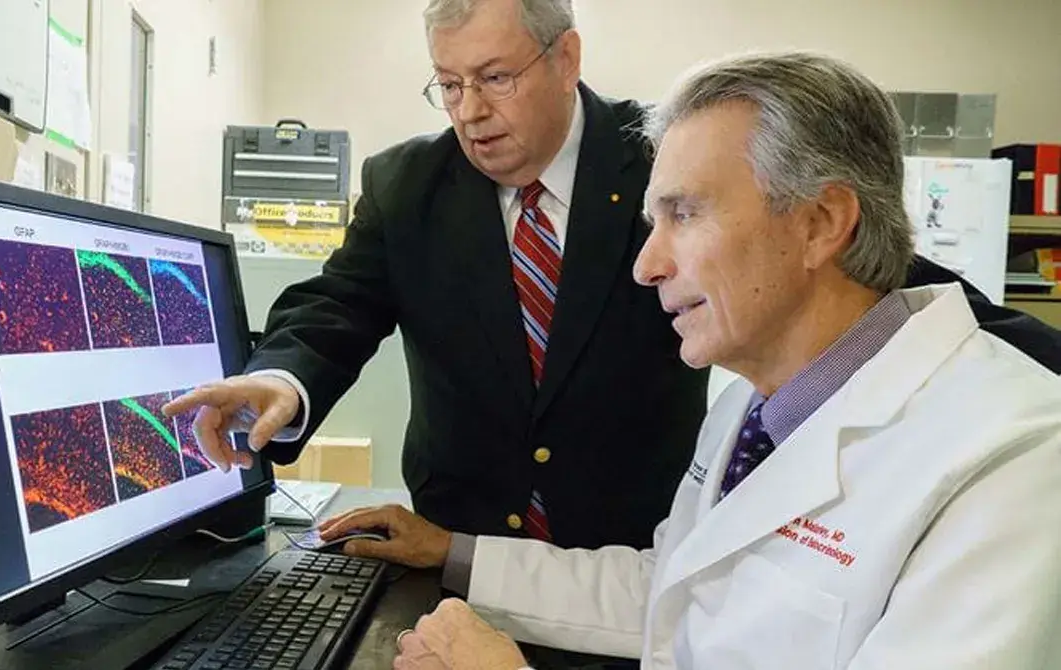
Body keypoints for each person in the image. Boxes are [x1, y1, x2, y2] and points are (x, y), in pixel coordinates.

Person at [163, 0, 1061, 555]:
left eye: (494, 76)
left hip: (636, 549)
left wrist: (1027, 364)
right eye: (446, 85)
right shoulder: (407, 183)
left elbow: (881, 265)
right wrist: (280, 377)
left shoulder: (669, 155)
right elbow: (339, 306)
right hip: (457, 542)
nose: (470, 112)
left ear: (565, 59)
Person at [322, 52, 1061, 669]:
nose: (645, 265)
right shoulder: (751, 406)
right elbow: (670, 592)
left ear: (820, 222)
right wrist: (453, 552)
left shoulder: (1012, 463)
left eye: (683, 214)